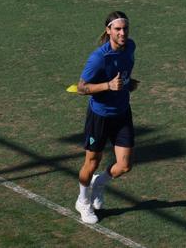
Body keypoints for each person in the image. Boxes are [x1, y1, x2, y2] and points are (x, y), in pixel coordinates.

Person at [75, 11, 139, 224]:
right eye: (118, 29)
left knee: (125, 165)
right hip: (100, 117)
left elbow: (124, 71)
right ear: (108, 31)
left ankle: (99, 183)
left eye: (125, 29)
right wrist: (108, 86)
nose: (122, 33)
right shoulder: (98, 58)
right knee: (92, 162)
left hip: (122, 113)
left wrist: (129, 83)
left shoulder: (130, 47)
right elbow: (81, 88)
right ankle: (83, 202)